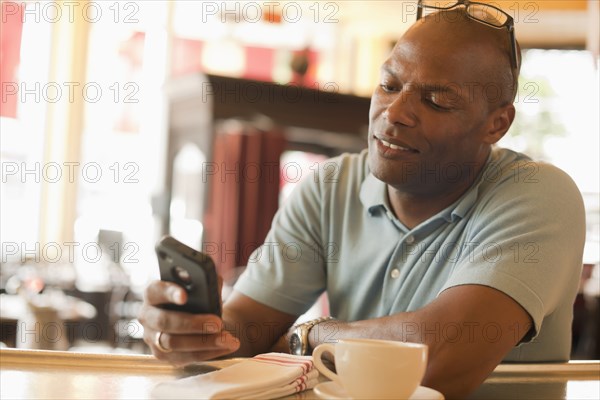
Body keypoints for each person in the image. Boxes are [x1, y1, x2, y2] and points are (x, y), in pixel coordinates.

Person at [139, 2, 585, 398]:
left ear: (497, 124)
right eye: (389, 85)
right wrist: (190, 332)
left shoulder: (536, 193)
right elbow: (247, 332)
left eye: (436, 101)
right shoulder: (330, 186)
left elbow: (439, 360)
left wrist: (311, 335)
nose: (394, 114)